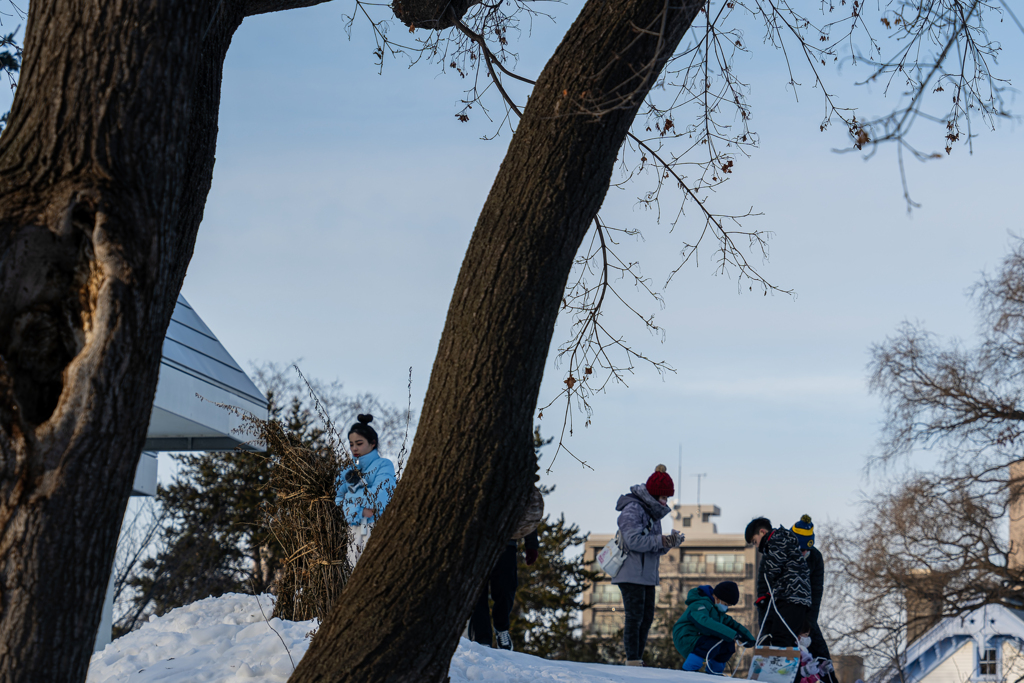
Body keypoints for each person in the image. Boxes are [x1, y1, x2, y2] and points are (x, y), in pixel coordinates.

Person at [613, 464, 685, 666]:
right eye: (663, 497)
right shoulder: (633, 509)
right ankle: (632, 659)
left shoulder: (654, 514)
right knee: (634, 617)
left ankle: (637, 658)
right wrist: (661, 541)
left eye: (667, 497)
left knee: (646, 618)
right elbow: (632, 540)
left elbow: (653, 546)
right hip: (631, 571)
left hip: (646, 574)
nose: (666, 501)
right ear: (653, 495)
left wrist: (670, 542)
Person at [468, 486, 544, 651]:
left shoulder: (511, 467)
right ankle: (482, 639)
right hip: (473, 540)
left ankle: (501, 627)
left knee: (506, 587)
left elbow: (527, 506)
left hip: (505, 539)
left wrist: (531, 543)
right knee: (475, 593)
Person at [335, 414, 396, 567]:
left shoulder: (384, 465)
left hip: (375, 528)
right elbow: (337, 500)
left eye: (359, 443)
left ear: (372, 443)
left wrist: (350, 498)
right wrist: (360, 510)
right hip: (352, 532)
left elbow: (380, 497)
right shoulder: (347, 471)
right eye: (351, 444)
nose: (354, 448)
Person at [745, 516, 812, 648]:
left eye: (755, 541)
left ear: (762, 532)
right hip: (799, 597)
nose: (757, 546)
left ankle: (778, 666)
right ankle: (786, 663)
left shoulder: (776, 540)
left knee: (780, 637)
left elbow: (773, 568)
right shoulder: (787, 540)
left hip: (790, 596)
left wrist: (767, 591)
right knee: (787, 638)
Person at [673, 581, 756, 674]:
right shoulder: (699, 604)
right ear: (716, 597)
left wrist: (747, 637)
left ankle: (715, 673)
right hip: (685, 637)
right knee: (712, 643)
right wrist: (731, 633)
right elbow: (704, 622)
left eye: (728, 606)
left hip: (700, 637)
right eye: (725, 604)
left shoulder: (717, 612)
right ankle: (688, 670)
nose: (726, 608)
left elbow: (732, 624)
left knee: (728, 645)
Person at [792, 515, 837, 683]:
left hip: (807, 614)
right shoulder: (784, 556)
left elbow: (817, 591)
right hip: (785, 615)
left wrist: (808, 626)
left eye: (806, 550)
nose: (804, 553)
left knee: (821, 652)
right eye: (800, 549)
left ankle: (829, 678)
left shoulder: (815, 558)